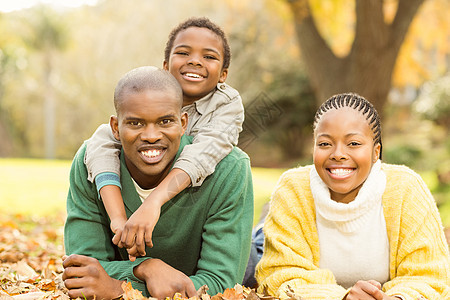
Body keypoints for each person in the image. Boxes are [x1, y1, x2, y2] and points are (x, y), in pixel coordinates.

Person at [63, 66, 253, 299]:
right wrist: (145, 268)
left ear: (184, 123)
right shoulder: (90, 164)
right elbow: (81, 272)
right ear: (115, 128)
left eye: (165, 121)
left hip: (250, 257)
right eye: (135, 123)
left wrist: (116, 289)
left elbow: (221, 284)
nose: (151, 135)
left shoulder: (230, 169)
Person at [255, 93, 450, 299]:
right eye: (324, 144)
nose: (338, 154)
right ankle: (264, 221)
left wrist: (397, 298)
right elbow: (278, 276)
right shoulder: (293, 188)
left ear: (376, 152)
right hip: (271, 238)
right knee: (256, 249)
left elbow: (431, 276)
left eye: (354, 143)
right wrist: (343, 297)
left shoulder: (407, 188)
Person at [84, 17, 244, 260]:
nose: (195, 61)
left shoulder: (228, 106)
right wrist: (118, 220)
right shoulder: (148, 93)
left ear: (223, 75)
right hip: (163, 228)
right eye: (183, 53)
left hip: (202, 214)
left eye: (209, 57)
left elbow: (202, 155)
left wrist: (153, 203)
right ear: (165, 66)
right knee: (99, 140)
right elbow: (101, 142)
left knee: (255, 252)